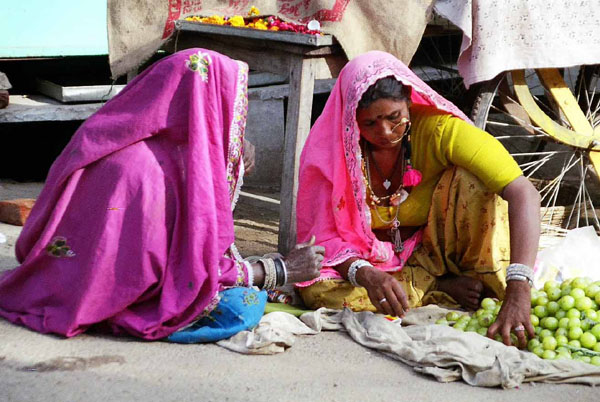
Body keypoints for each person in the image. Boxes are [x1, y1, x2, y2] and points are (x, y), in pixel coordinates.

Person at [0, 49, 324, 342]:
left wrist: (232, 153)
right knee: (243, 308)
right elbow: (182, 271)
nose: (230, 119)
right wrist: (276, 271)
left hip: (61, 272)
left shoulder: (124, 137)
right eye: (223, 107)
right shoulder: (149, 173)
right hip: (109, 293)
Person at [295, 51, 540, 347]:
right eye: (369, 123)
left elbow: (522, 190)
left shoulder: (439, 131)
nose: (385, 132)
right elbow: (323, 238)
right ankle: (438, 287)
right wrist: (367, 275)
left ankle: (470, 284)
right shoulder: (335, 149)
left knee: (475, 183)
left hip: (437, 252)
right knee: (317, 290)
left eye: (394, 118)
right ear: (351, 118)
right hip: (369, 261)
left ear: (409, 103)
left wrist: (518, 287)